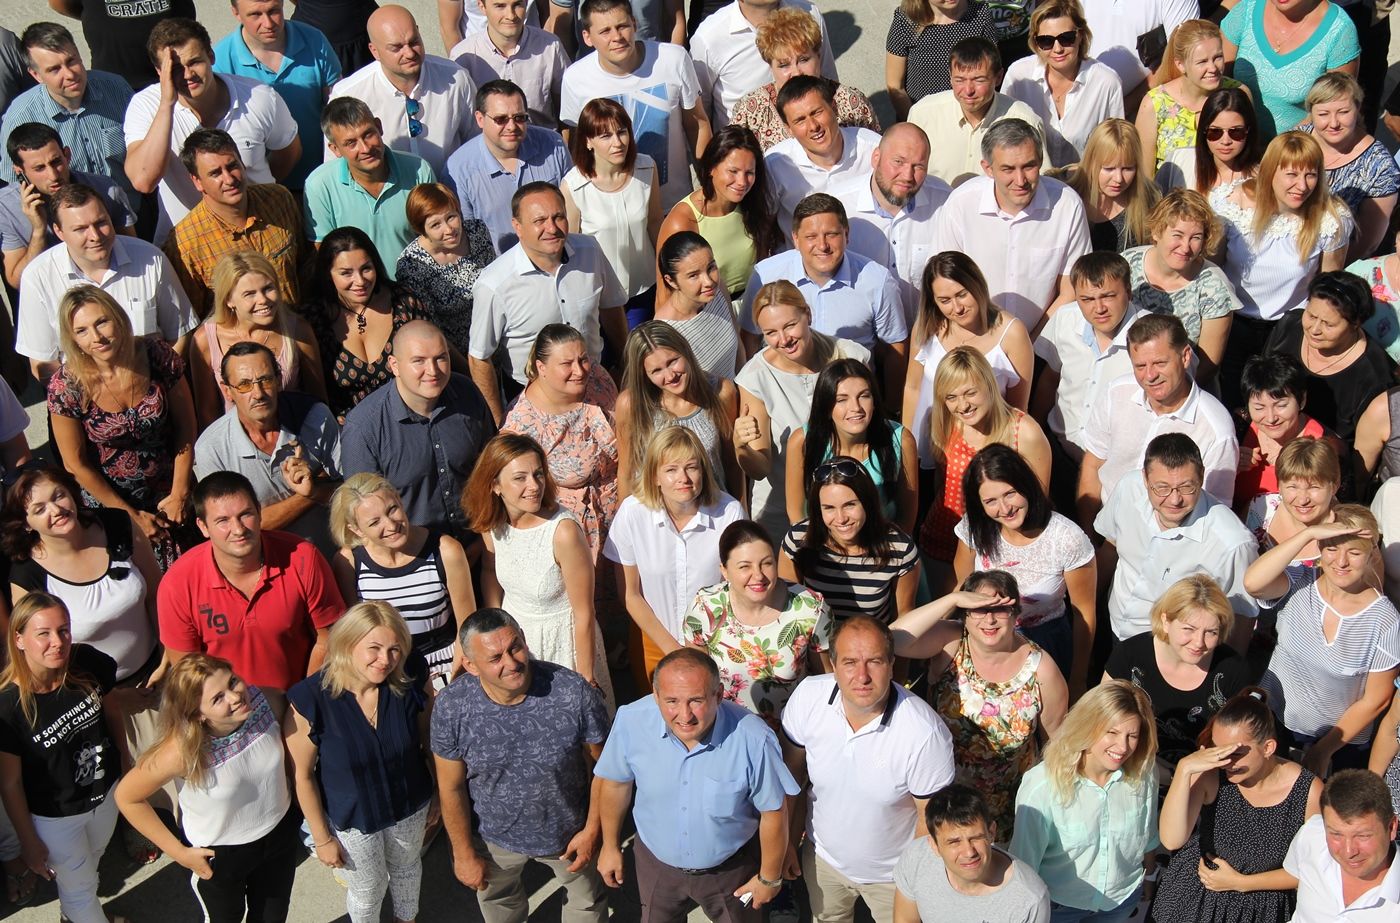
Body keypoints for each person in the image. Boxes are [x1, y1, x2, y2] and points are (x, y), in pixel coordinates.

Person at [432, 608, 611, 922]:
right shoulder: (452, 706)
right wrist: (463, 853)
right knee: (499, 905)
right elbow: (450, 786)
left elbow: (606, 768)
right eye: (495, 657)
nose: (512, 663)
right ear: (470, 665)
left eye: (515, 647)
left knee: (586, 903)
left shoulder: (573, 692)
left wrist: (593, 830)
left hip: (569, 833)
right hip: (493, 838)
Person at [593, 647, 800, 918]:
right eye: (671, 701)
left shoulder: (754, 738)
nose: (684, 715)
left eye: (696, 701)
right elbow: (616, 784)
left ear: (719, 695)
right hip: (655, 867)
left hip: (731, 871)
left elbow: (773, 811)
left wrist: (769, 879)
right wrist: (609, 846)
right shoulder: (631, 720)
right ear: (655, 695)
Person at [782, 615, 958, 922]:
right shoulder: (808, 698)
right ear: (833, 664)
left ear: (891, 664)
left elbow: (929, 819)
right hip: (822, 860)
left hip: (892, 877)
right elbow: (791, 776)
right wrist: (787, 843)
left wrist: (911, 883)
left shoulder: (924, 734)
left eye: (874, 661)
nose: (862, 676)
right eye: (850, 662)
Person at [113, 654, 301, 923]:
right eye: (218, 698)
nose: (235, 696)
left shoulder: (268, 701)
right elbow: (127, 797)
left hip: (279, 836)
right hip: (221, 855)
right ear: (197, 714)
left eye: (232, 681)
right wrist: (180, 853)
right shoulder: (182, 751)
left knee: (272, 917)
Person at [284, 601, 435, 923]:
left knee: (407, 866)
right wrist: (322, 839)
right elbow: (303, 776)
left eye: (395, 649)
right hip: (353, 816)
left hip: (411, 802)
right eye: (374, 648)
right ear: (347, 644)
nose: (386, 660)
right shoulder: (310, 699)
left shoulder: (410, 674)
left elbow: (428, 737)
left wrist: (438, 794)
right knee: (368, 888)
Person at [891, 572, 1067, 838]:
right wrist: (952, 599)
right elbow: (893, 639)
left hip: (1006, 813)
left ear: (1015, 613)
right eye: (979, 608)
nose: (989, 619)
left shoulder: (1042, 671)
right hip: (942, 801)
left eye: (1000, 609)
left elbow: (1055, 747)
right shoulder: (951, 642)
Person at [48, 285, 197, 568]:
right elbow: (75, 463)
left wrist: (179, 493)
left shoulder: (156, 354)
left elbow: (186, 428)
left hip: (172, 491)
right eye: (82, 331)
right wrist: (130, 515)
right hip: (110, 501)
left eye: (102, 322)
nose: (97, 337)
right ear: (73, 339)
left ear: (118, 318)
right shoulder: (66, 386)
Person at [157, 471, 344, 693]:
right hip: (226, 707)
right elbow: (188, 673)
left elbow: (329, 639)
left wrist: (302, 701)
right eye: (223, 521)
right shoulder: (178, 583)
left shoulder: (303, 558)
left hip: (299, 697)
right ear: (203, 527)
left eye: (245, 515)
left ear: (259, 511)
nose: (238, 530)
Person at [1248, 505, 1400, 776]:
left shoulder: (1385, 619)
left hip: (1340, 744)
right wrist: (1308, 534)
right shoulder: (1299, 582)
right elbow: (1253, 583)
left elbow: (1376, 699)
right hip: (1274, 725)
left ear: (1371, 553)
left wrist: (1324, 749)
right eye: (1331, 548)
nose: (1341, 562)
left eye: (1354, 552)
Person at [0, 593, 124, 923]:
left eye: (64, 630)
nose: (57, 642)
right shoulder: (7, 706)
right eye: (43, 633)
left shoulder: (87, 662)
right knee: (79, 889)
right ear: (19, 639)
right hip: (57, 818)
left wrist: (126, 768)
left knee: (92, 862)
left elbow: (113, 715)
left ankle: (72, 916)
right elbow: (10, 783)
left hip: (106, 793)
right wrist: (28, 841)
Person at [463, 431, 613, 702]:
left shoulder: (563, 532)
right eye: (520, 478)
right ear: (495, 485)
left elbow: (584, 613)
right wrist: (496, 626)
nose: (534, 486)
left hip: (564, 647)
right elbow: (489, 570)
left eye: (538, 474)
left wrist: (585, 679)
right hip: (514, 645)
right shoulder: (493, 523)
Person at [1152, 687, 1322, 923]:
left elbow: (1314, 872)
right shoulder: (1212, 775)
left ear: (1268, 748)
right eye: (1219, 750)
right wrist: (1184, 770)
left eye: (1235, 753)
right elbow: (1171, 839)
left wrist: (1241, 883)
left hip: (1259, 911)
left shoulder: (1308, 791)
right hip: (1194, 901)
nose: (1226, 762)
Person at [124, 18, 300, 245]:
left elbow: (289, 153)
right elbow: (143, 181)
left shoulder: (259, 96)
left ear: (211, 56)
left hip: (263, 231)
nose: (187, 74)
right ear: (160, 71)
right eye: (175, 69)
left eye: (195, 62)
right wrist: (167, 104)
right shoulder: (145, 106)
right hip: (191, 245)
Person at [468, 182, 628, 423]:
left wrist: (625, 365)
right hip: (533, 403)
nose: (552, 228)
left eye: (558, 217)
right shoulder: (494, 284)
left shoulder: (591, 251)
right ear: (517, 226)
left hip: (595, 385)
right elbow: (479, 358)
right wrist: (499, 424)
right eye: (539, 220)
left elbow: (611, 308)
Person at [1214, 132, 1351, 409]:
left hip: (1289, 328)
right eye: (1292, 174)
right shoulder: (1231, 205)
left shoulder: (1330, 219)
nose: (1302, 185)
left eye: (1310, 175)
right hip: (1233, 323)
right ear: (1270, 171)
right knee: (1231, 402)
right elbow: (1212, 268)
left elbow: (1328, 287)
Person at [1009, 680, 1160, 923]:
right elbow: (1025, 862)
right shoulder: (1042, 786)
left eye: (1132, 735)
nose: (1122, 747)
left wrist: (1150, 876)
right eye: (1111, 732)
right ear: (1087, 726)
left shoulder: (1144, 773)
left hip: (1120, 902)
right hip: (1058, 907)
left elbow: (1148, 832)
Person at [15, 184, 196, 382]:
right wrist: (96, 394)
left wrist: (157, 386)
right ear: (59, 232)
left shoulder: (151, 258)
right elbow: (42, 363)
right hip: (85, 396)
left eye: (100, 223)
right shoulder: (37, 277)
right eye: (80, 229)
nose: (95, 236)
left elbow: (180, 333)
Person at [733, 280, 869, 542]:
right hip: (780, 511)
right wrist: (741, 447)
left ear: (807, 314)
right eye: (771, 332)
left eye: (790, 325)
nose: (784, 339)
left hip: (847, 508)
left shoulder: (849, 356)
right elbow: (760, 468)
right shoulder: (755, 378)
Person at [606, 427, 745, 681]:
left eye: (692, 467)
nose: (683, 478)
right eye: (671, 470)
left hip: (717, 643)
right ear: (655, 476)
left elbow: (737, 588)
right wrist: (675, 652)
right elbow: (631, 594)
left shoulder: (730, 513)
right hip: (654, 642)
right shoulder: (632, 513)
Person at [740, 193, 909, 401]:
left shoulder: (877, 281)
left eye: (831, 234)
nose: (822, 245)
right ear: (795, 239)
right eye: (811, 237)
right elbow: (749, 337)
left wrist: (891, 407)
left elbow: (894, 348)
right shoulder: (765, 275)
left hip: (850, 401)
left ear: (846, 234)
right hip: (784, 396)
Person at [1097, 433, 1258, 650]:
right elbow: (1110, 549)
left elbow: (1242, 616)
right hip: (1111, 627)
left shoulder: (1233, 543)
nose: (1174, 500)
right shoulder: (1128, 488)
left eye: (1186, 487)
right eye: (1162, 488)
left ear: (1201, 476)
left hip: (1172, 651)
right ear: (1144, 478)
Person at [954, 445, 1095, 692]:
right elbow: (962, 586)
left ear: (1025, 485)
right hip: (983, 638)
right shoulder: (974, 527)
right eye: (990, 501)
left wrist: (1078, 679)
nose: (1005, 508)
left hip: (1044, 643)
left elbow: (1084, 613)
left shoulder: (1067, 538)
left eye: (1010, 493)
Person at [341, 320, 497, 542]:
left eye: (441, 358)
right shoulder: (364, 428)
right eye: (419, 361)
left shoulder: (468, 395)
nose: (432, 371)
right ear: (394, 365)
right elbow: (365, 513)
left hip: (482, 540)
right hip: (414, 553)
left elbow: (492, 467)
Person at [931, 118, 1090, 334]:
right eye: (1008, 169)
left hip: (1043, 342)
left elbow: (1071, 289)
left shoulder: (1067, 206)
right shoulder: (960, 205)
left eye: (1029, 166)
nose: (1020, 180)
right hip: (972, 341)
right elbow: (943, 284)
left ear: (1040, 161)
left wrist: (1031, 344)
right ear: (988, 168)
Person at [1077, 314, 1239, 522]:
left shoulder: (1216, 429)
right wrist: (1088, 532)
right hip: (1103, 526)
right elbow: (1093, 465)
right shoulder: (1115, 394)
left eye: (1160, 363)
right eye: (1140, 366)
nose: (1150, 376)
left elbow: (1213, 512)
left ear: (1185, 357)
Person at [560, 0, 710, 212]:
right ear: (587, 37)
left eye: (622, 26)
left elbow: (697, 125)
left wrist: (709, 185)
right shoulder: (575, 79)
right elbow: (578, 145)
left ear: (635, 24)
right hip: (612, 213)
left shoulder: (673, 59)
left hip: (674, 206)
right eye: (605, 31)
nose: (617, 37)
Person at [193, 340, 341, 555]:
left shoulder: (314, 417)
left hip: (332, 555)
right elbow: (238, 528)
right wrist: (308, 494)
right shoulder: (211, 448)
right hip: (264, 564)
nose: (258, 393)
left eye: (265, 380)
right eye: (244, 385)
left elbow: (353, 490)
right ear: (227, 391)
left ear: (279, 380)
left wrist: (317, 490)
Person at [920, 347, 1052, 587]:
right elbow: (941, 482)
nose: (963, 405)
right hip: (942, 537)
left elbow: (1038, 502)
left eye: (970, 393)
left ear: (989, 384)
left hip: (997, 547)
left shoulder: (1025, 432)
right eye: (951, 397)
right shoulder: (943, 422)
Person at [329, 474, 474, 692]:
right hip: (383, 675)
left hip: (447, 668)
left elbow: (468, 628)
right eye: (374, 522)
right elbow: (355, 637)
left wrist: (453, 686)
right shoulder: (348, 562)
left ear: (399, 499)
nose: (391, 525)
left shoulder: (445, 550)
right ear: (356, 529)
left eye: (392, 509)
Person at [500, 324, 621, 580]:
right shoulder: (521, 426)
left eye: (583, 359)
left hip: (620, 513)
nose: (580, 370)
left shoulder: (596, 377)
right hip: (573, 538)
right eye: (566, 364)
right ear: (541, 367)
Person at [904, 251, 1034, 484]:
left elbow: (1017, 410)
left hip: (982, 457)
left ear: (977, 285)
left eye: (962, 295)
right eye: (944, 301)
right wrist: (906, 445)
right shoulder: (927, 327)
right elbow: (912, 388)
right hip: (929, 448)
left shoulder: (1012, 333)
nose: (957, 308)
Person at [686, 518, 832, 725]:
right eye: (744, 566)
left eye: (767, 563)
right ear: (724, 571)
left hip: (791, 733)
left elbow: (825, 680)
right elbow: (694, 680)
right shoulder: (705, 607)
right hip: (727, 730)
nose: (758, 575)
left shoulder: (811, 608)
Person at [1104, 575, 1251, 767]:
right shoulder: (1130, 655)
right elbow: (1102, 721)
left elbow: (1243, 742)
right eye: (1189, 629)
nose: (1198, 642)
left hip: (1205, 775)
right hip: (1132, 765)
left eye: (1211, 632)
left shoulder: (1233, 671)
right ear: (1166, 621)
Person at [162, 128, 309, 317]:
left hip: (297, 324)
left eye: (232, 166)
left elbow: (305, 265)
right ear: (197, 182)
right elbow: (192, 318)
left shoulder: (278, 200)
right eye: (215, 173)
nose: (229, 179)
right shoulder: (185, 244)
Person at [326, 6, 476, 180]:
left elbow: (476, 143)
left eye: (414, 42)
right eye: (396, 48)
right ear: (374, 51)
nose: (409, 53)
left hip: (448, 189)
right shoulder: (349, 94)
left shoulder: (456, 78)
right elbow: (334, 169)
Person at [212, 0, 343, 191]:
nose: (268, 23)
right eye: (255, 14)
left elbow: (338, 110)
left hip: (323, 178)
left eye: (274, 11)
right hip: (261, 190)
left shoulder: (314, 40)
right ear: (236, 12)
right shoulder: (221, 62)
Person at [304, 227, 432, 422]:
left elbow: (434, 356)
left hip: (411, 420)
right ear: (328, 274)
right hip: (347, 429)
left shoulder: (404, 303)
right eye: (346, 273)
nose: (360, 281)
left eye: (366, 269)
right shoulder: (313, 319)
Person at [0, 23, 136, 206]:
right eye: (55, 69)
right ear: (36, 75)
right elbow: (15, 186)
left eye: (71, 61)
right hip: (67, 220)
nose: (70, 74)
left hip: (131, 209)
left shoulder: (117, 89)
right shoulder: (20, 117)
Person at [189, 250, 325, 429]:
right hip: (235, 441)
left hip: (295, 434)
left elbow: (318, 399)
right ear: (229, 300)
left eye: (268, 288)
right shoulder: (205, 340)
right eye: (250, 294)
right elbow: (207, 412)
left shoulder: (298, 329)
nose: (263, 300)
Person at [1033, 252, 1143, 471]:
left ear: (1129, 292)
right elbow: (1050, 378)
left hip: (1115, 468)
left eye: (1108, 296)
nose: (1099, 308)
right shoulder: (1065, 318)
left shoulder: (1153, 336)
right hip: (1058, 452)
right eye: (1087, 299)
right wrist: (1036, 432)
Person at [302, 98, 437, 275]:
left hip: (417, 285)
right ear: (335, 149)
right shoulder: (319, 185)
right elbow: (324, 253)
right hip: (357, 288)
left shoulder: (419, 171)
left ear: (379, 127)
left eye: (368, 134)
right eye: (351, 143)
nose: (365, 148)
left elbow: (437, 236)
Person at [832, 124, 950, 322]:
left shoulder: (945, 203)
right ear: (875, 157)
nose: (907, 176)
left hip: (925, 331)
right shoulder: (838, 206)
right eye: (898, 162)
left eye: (918, 166)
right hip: (858, 334)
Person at [781, 459, 920, 625]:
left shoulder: (900, 549)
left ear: (867, 502)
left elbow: (903, 619)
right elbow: (786, 607)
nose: (841, 519)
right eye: (829, 508)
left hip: (872, 640)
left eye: (849, 505)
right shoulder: (798, 540)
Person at [562, 99, 662, 329]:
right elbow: (570, 250)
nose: (618, 143)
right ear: (588, 141)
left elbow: (656, 223)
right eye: (606, 136)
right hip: (600, 299)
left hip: (643, 290)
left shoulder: (647, 168)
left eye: (622, 132)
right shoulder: (573, 186)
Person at [1264, 270, 1394, 445]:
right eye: (1311, 316)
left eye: (1328, 324)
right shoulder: (1289, 326)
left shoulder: (1374, 376)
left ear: (1355, 324)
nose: (1314, 329)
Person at [1, 121, 135, 290]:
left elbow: (132, 252)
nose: (53, 175)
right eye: (39, 168)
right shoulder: (6, 208)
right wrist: (39, 231)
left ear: (67, 155)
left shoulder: (106, 189)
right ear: (19, 171)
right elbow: (19, 282)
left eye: (56, 162)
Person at [655, 124, 781, 301]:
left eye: (749, 173)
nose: (742, 182)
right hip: (708, 313)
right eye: (733, 171)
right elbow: (665, 297)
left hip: (753, 307)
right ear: (711, 168)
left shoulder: (754, 206)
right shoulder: (682, 221)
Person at [893, 782, 1052, 923]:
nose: (969, 852)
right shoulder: (917, 857)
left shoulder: (1029, 899)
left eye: (976, 838)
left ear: (992, 832)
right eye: (954, 842)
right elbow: (905, 919)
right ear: (934, 845)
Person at [1124, 190, 1237, 386]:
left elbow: (1208, 365)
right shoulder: (1128, 265)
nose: (1185, 247)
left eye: (1196, 237)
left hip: (1185, 386)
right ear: (1157, 232)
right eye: (1177, 235)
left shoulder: (1214, 286)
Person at [792, 359, 918, 532]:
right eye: (841, 400)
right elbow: (796, 514)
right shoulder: (802, 441)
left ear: (874, 400)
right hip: (821, 543)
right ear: (826, 407)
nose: (856, 407)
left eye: (864, 396)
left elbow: (906, 517)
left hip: (884, 543)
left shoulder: (901, 440)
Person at [446, 79, 570, 255]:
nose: (511, 127)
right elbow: (465, 235)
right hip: (498, 266)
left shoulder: (553, 146)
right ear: (480, 119)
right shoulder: (459, 169)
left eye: (519, 118)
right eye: (501, 119)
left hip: (557, 256)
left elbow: (573, 207)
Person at [616, 321, 739, 495]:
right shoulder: (631, 404)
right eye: (656, 371)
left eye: (673, 361)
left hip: (711, 504)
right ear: (644, 374)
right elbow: (626, 472)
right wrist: (624, 512)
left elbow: (732, 463)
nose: (670, 376)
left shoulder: (720, 392)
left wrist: (741, 509)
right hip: (654, 507)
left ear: (685, 351)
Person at [731, 7, 879, 148]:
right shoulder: (751, 111)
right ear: (770, 66)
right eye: (784, 65)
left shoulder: (851, 103)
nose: (796, 72)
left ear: (818, 57)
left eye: (803, 60)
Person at [907, 36, 1044, 189]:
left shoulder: (1024, 120)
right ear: (950, 77)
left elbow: (1039, 182)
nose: (968, 90)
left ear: (998, 77)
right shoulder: (924, 114)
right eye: (959, 80)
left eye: (979, 80)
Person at [1001, 1, 1124, 168]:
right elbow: (1002, 139)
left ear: (1080, 35)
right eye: (1046, 41)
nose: (1057, 49)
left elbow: (1116, 148)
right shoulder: (1018, 76)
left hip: (1085, 182)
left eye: (1066, 38)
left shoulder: (1106, 82)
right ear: (1036, 43)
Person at [1222, 0, 1360, 138]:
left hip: (1298, 146)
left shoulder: (1339, 30)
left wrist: (1280, 147)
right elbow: (1218, 80)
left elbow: (1333, 112)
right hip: (1231, 141)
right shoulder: (1246, 9)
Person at [764, 74, 881, 236]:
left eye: (816, 112)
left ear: (834, 108)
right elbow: (764, 224)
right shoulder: (774, 165)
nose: (813, 126)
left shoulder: (873, 149)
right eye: (800, 120)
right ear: (788, 129)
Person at [690, 0, 836, 129]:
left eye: (803, 59)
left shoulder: (809, 14)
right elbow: (700, 114)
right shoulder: (709, 38)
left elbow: (829, 83)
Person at [1235, 355, 1343, 529]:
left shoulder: (1327, 446)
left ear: (1302, 400)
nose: (1271, 418)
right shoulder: (1236, 429)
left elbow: (1340, 509)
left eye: (1281, 405)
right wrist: (1227, 462)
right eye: (1259, 407)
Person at [1302, 72, 1399, 262]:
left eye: (1343, 112)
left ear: (1358, 108)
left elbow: (1367, 244)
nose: (1334, 123)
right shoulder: (1297, 141)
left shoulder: (1380, 166)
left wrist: (1321, 270)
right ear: (1311, 113)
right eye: (1323, 114)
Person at [393, 183, 496, 360]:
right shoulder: (411, 265)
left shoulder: (477, 231)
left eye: (451, 217)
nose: (449, 230)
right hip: (455, 357)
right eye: (435, 225)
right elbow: (431, 329)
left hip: (495, 339)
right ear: (420, 229)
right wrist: (467, 368)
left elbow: (497, 287)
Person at [1285, 768, 1400, 921]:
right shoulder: (1311, 837)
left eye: (1362, 836)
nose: (1349, 852)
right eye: (1336, 834)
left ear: (1391, 828)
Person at [1136, 19, 1242, 173]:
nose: (1212, 68)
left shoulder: (1238, 95)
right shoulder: (1155, 104)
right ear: (1180, 64)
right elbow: (1144, 176)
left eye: (1217, 57)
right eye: (1202, 62)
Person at [448, 0, 571, 129]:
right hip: (486, 141)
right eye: (500, 6)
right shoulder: (464, 56)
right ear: (482, 7)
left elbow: (566, 111)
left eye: (517, 5)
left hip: (542, 139)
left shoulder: (550, 47)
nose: (511, 16)